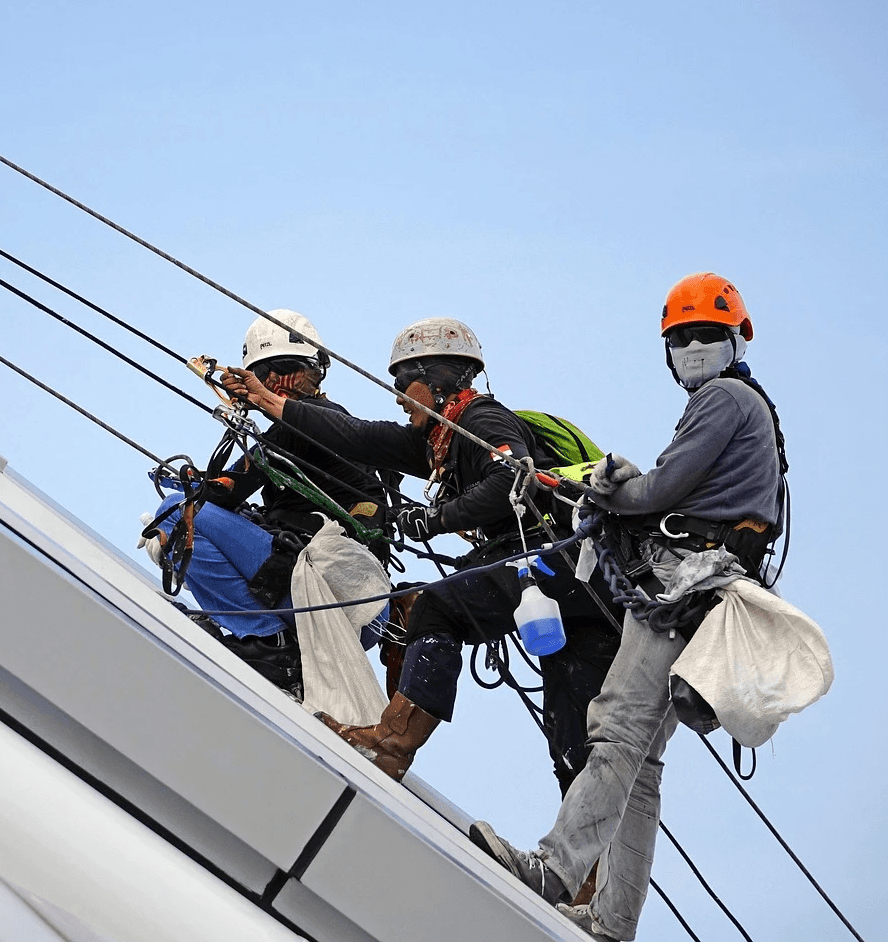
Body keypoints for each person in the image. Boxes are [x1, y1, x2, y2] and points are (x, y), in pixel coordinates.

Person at [468, 273, 786, 941]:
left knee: (614, 730)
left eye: (705, 335)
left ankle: (549, 872)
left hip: (684, 588)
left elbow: (662, 490)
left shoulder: (724, 398)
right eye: (683, 338)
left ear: (735, 341)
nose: (694, 346)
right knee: (639, 766)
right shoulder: (751, 407)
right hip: (709, 590)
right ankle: (612, 922)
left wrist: (608, 486)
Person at [223, 317, 623, 787]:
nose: (396, 396)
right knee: (570, 728)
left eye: (401, 382)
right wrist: (273, 402)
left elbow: (509, 479)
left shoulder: (481, 419)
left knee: (434, 604)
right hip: (583, 587)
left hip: (557, 559)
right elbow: (357, 435)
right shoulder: (437, 441)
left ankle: (391, 742)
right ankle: (589, 861)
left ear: (436, 378)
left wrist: (436, 519)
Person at [141, 309, 388, 700]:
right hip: (356, 611)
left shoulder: (309, 422)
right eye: (265, 374)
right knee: (213, 516)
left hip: (334, 597)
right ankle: (274, 644)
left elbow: (225, 489)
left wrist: (192, 491)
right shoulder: (330, 427)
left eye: (286, 369)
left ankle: (265, 641)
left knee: (177, 512)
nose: (275, 383)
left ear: (316, 372)